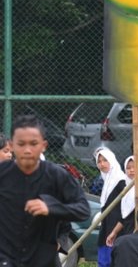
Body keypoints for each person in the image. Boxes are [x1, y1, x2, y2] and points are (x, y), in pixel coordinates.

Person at [0, 114, 90, 266]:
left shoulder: (57, 176)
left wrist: (51, 207)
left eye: (33, 144)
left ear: (43, 146)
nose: (27, 150)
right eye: (21, 144)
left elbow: (83, 210)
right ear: (13, 146)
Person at [106, 155, 138, 246]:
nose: (131, 170)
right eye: (128, 168)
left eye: (134, 167)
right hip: (128, 233)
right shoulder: (126, 190)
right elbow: (125, 217)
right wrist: (114, 232)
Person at [95, 147, 127, 267]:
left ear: (112, 161)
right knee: (103, 261)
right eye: (99, 161)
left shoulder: (121, 182)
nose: (102, 164)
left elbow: (125, 209)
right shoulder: (107, 181)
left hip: (117, 229)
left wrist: (114, 231)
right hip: (106, 228)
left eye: (105, 160)